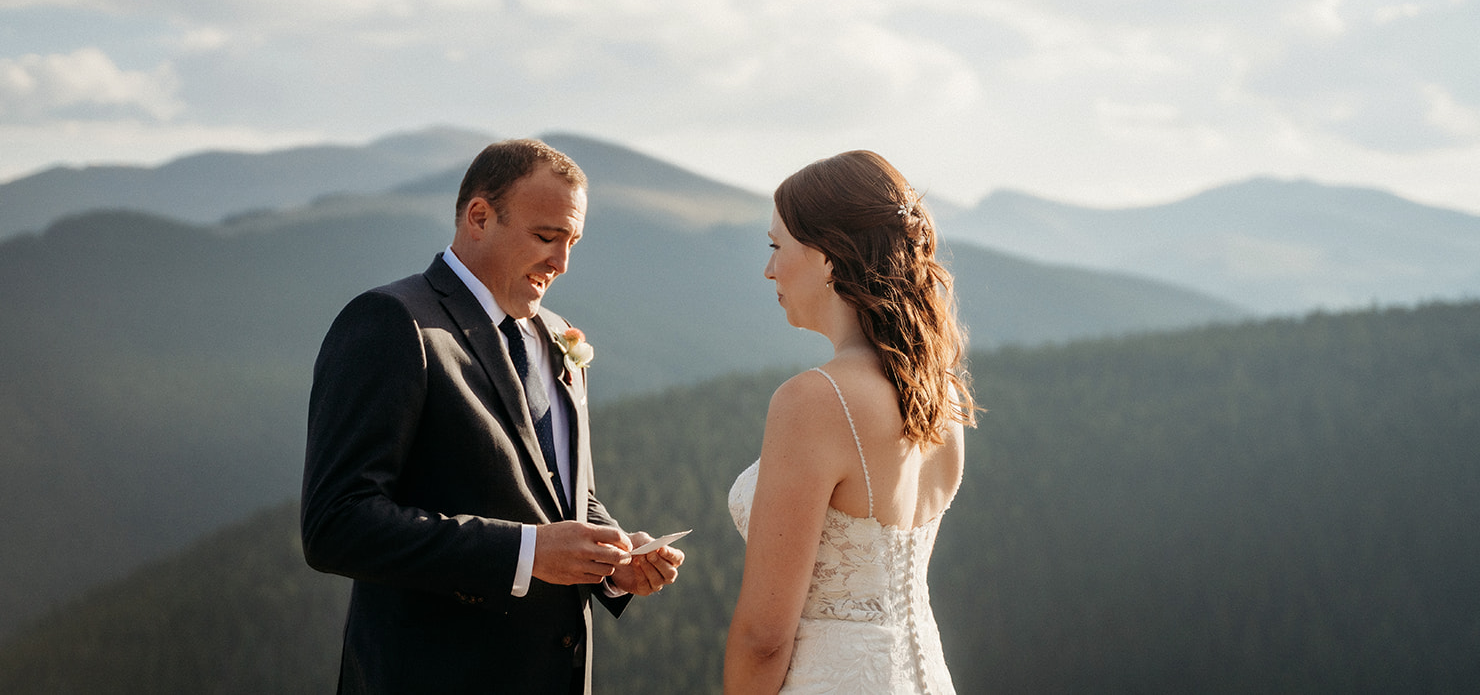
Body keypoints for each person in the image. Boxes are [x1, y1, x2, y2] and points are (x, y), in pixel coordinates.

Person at [302, 138, 683, 694]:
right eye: (547, 237)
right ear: (479, 216)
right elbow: (336, 524)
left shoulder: (556, 334)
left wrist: (612, 557)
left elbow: (563, 492)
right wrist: (526, 552)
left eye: (572, 241)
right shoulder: (392, 321)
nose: (562, 262)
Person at [725, 150, 976, 694]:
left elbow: (766, 635)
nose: (769, 268)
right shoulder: (941, 393)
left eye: (777, 246)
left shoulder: (815, 400)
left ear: (828, 257)